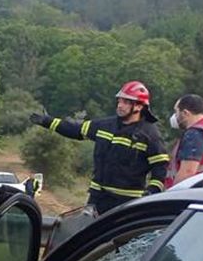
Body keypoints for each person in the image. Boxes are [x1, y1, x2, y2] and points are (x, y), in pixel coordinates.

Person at [30, 81, 169, 215]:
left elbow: (160, 167)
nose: (120, 105)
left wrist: (152, 191)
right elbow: (75, 130)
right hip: (98, 199)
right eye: (119, 101)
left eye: (126, 102)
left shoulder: (150, 134)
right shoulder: (105, 125)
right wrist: (48, 122)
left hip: (128, 202)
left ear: (139, 107)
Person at [166, 94, 203, 187]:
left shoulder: (194, 134)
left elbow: (187, 171)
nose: (175, 116)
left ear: (185, 113)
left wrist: (172, 194)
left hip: (194, 193)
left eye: (176, 111)